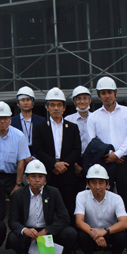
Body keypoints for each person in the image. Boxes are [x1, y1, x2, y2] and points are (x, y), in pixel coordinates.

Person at [85, 76, 127, 254]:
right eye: (103, 93)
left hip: (124, 161)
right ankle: (109, 245)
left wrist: (118, 153)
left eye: (110, 92)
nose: (107, 96)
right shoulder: (93, 116)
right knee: (105, 203)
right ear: (99, 95)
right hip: (104, 162)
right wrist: (109, 154)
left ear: (116, 93)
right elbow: (93, 141)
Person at [6, 160, 78, 254]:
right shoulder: (18, 194)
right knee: (12, 238)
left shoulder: (54, 192)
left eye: (41, 176)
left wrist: (46, 231)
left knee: (71, 233)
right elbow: (12, 221)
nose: (37, 180)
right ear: (27, 178)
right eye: (33, 176)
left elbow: (65, 218)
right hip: (28, 230)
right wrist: (25, 230)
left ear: (45, 179)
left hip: (47, 230)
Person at [32, 88, 80, 226]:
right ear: (47, 107)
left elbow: (77, 150)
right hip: (49, 173)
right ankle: (49, 241)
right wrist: (54, 164)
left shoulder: (72, 127)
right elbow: (38, 150)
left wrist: (63, 165)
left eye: (59, 105)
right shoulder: (40, 127)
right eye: (52, 105)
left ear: (64, 108)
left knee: (69, 207)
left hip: (67, 173)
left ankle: (70, 243)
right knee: (48, 209)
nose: (56, 108)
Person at [74, 164, 127, 254]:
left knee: (121, 236)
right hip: (91, 231)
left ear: (107, 185)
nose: (97, 186)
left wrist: (104, 231)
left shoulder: (116, 198)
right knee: (80, 234)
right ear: (88, 184)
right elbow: (79, 222)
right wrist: (95, 235)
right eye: (93, 182)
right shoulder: (81, 196)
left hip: (109, 232)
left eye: (101, 182)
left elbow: (124, 223)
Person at [64, 86, 93, 192]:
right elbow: (65, 144)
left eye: (85, 98)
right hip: (74, 160)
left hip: (93, 159)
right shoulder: (68, 120)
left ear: (90, 100)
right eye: (79, 99)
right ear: (74, 101)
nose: (82, 101)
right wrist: (74, 164)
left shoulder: (96, 118)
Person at [11, 86, 45, 155]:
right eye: (23, 100)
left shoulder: (41, 121)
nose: (26, 103)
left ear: (33, 102)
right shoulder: (12, 122)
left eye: (28, 100)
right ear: (18, 103)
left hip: (38, 157)